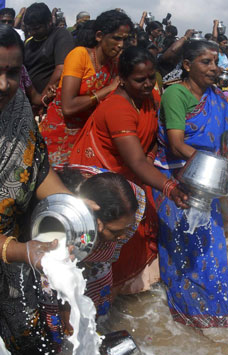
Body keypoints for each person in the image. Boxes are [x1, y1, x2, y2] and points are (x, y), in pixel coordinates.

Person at [70, 47, 187, 294]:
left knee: (135, 241)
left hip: (133, 178)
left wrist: (151, 156)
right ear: (121, 79)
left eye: (150, 77)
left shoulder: (150, 100)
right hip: (106, 184)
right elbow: (135, 162)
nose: (147, 84)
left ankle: (126, 296)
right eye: (139, 79)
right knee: (105, 243)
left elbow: (153, 141)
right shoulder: (118, 108)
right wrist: (170, 187)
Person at [0, 25, 72, 355]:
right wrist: (18, 250)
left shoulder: (17, 108)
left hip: (14, 258)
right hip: (13, 249)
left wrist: (70, 207)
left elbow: (36, 167)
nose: (4, 84)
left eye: (13, 72)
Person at [154, 39, 228, 328]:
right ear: (187, 65)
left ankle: (215, 315)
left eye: (216, 62)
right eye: (206, 62)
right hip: (178, 182)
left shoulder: (217, 97)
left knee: (210, 251)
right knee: (183, 254)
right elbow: (178, 144)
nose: (214, 68)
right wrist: (220, 168)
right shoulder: (175, 95)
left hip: (208, 182)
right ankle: (186, 317)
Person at [40, 166, 145, 339]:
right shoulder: (62, 225)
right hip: (56, 265)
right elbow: (54, 274)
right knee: (59, 324)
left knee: (97, 306)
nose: (122, 237)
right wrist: (66, 308)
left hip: (95, 258)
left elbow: (115, 242)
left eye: (126, 229)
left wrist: (102, 246)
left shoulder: (133, 201)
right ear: (93, 222)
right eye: (116, 232)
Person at [40, 10, 132, 166]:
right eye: (116, 38)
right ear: (99, 36)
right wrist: (107, 89)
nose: (121, 45)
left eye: (125, 40)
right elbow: (68, 106)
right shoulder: (80, 55)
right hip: (59, 134)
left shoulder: (114, 64)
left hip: (88, 136)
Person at [23, 3, 74, 97]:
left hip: (48, 99)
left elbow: (61, 69)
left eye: (37, 28)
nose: (32, 32)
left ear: (49, 22)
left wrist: (42, 98)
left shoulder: (61, 35)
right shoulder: (28, 41)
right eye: (29, 29)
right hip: (30, 99)